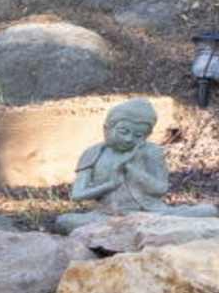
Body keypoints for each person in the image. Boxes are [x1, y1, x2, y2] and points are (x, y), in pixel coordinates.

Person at [57, 97, 172, 227]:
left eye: (138, 135)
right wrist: (109, 186)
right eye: (123, 132)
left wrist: (134, 171)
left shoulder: (151, 151)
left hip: (148, 213)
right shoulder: (94, 153)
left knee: (192, 215)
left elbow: (161, 189)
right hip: (106, 216)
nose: (129, 139)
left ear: (147, 136)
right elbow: (77, 195)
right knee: (64, 222)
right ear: (107, 128)